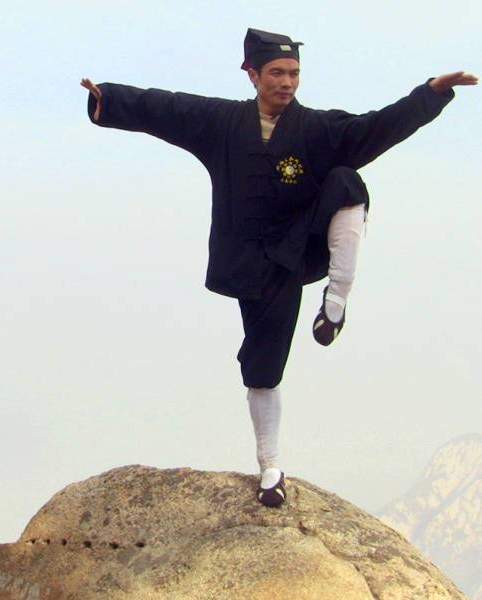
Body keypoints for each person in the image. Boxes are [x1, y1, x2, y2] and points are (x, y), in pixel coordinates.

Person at [81, 28, 477, 507]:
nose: (287, 82)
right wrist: (109, 99)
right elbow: (167, 107)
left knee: (347, 182)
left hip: (299, 248)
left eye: (294, 73)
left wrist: (430, 95)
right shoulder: (221, 122)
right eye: (277, 73)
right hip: (253, 265)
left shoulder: (316, 128)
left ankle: (335, 301)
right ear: (252, 74)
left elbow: (376, 127)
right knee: (263, 367)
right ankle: (270, 467)